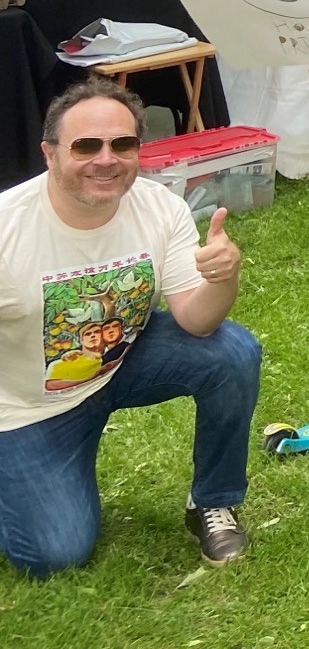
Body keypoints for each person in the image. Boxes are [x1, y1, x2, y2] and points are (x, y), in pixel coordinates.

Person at [0, 78, 258, 575]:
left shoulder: (159, 206)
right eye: (86, 146)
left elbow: (197, 322)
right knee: (55, 555)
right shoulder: (10, 228)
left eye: (123, 144)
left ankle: (211, 501)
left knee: (232, 352)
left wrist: (224, 277)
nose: (107, 159)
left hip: (119, 362)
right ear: (50, 153)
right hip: (26, 408)